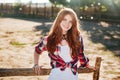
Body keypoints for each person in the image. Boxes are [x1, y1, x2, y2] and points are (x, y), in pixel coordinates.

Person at [33, 8, 95, 80]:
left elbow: (80, 54)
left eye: (70, 21)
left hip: (73, 78)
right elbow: (37, 51)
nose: (67, 24)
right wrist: (36, 64)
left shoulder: (77, 39)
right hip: (55, 77)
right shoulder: (48, 40)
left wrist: (86, 64)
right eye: (64, 20)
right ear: (59, 20)